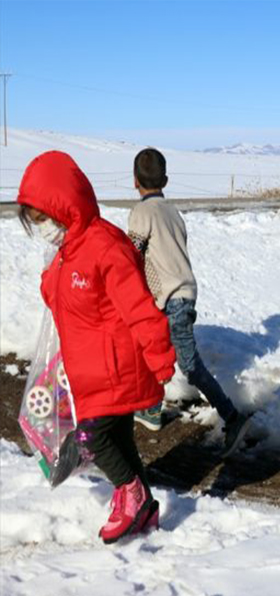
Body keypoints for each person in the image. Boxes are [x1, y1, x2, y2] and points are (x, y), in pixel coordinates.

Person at [17, 151, 175, 543]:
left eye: (44, 220)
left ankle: (131, 496)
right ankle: (146, 508)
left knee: (93, 437)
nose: (44, 229)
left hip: (114, 369)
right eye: (37, 224)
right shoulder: (69, 250)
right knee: (119, 440)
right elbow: (59, 299)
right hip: (89, 371)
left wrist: (160, 355)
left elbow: (139, 306)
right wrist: (50, 270)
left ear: (64, 207)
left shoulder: (106, 246)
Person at [127, 148, 250, 456]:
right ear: (165, 180)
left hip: (170, 297)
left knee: (189, 366)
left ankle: (232, 416)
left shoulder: (141, 213)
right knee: (152, 350)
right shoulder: (172, 211)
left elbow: (132, 253)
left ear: (134, 182)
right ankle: (151, 409)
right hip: (180, 293)